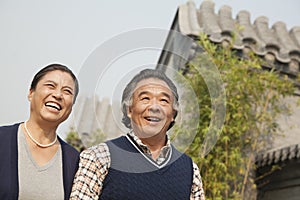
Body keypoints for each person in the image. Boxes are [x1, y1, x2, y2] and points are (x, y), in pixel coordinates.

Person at [70, 68, 205, 200]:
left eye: (163, 100)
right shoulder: (98, 157)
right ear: (129, 109)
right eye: (145, 98)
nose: (154, 107)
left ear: (173, 114)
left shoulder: (189, 170)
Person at [0, 64, 80, 200]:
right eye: (50, 86)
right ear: (31, 93)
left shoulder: (74, 160)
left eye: (67, 91)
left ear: (71, 107)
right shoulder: (2, 140)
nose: (58, 95)